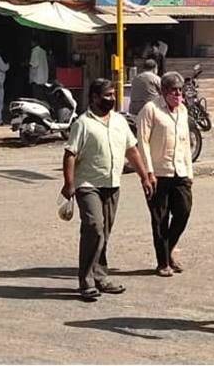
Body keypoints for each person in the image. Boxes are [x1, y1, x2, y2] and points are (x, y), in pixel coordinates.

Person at [61, 78, 154, 301]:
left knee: (104, 232)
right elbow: (70, 154)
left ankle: (100, 277)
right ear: (94, 97)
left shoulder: (120, 122)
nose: (112, 99)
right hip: (88, 185)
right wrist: (69, 183)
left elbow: (132, 151)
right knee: (94, 226)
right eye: (107, 95)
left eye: (113, 95)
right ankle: (86, 280)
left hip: (112, 184)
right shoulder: (83, 123)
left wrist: (145, 177)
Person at [137, 72, 194, 277]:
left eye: (180, 90)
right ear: (163, 91)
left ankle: (169, 249)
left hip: (180, 172)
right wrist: (148, 173)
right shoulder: (150, 110)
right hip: (158, 174)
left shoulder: (183, 111)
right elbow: (142, 142)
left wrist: (189, 172)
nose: (177, 94)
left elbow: (186, 142)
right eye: (173, 90)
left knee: (183, 211)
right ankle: (163, 262)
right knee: (160, 218)